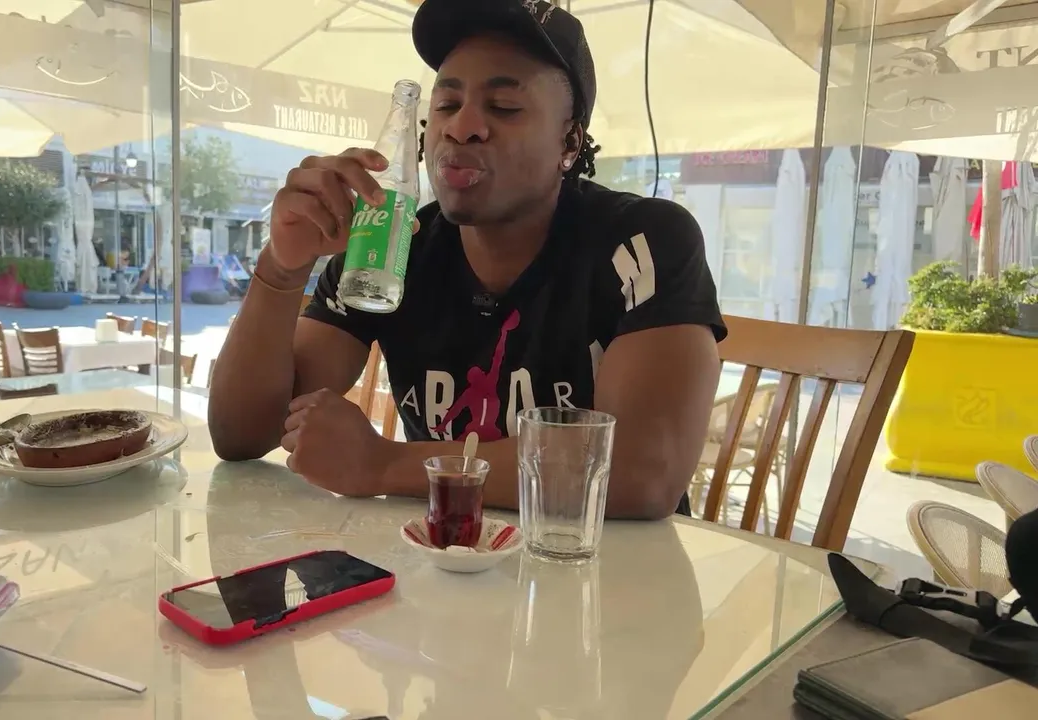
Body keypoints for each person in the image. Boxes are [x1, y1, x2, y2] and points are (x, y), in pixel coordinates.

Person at [209, 0, 725, 520]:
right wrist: (283, 268)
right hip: (444, 558)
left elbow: (642, 471)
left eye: (503, 106)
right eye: (446, 104)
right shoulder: (396, 248)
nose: (463, 127)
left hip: (610, 563)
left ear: (569, 142)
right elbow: (242, 433)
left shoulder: (642, 240)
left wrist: (385, 465)